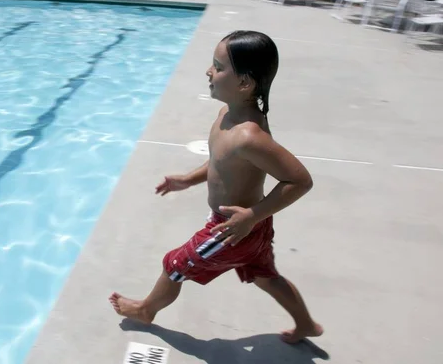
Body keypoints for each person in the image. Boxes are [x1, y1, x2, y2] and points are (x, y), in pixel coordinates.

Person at [109, 30, 323, 344]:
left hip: (231, 230)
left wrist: (250, 215)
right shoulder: (227, 115)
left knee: (175, 264)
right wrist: (187, 179)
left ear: (244, 83)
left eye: (218, 67)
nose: (209, 72)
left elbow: (300, 180)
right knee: (265, 276)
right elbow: (221, 164)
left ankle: (145, 310)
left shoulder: (249, 135)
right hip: (250, 226)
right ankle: (306, 324)